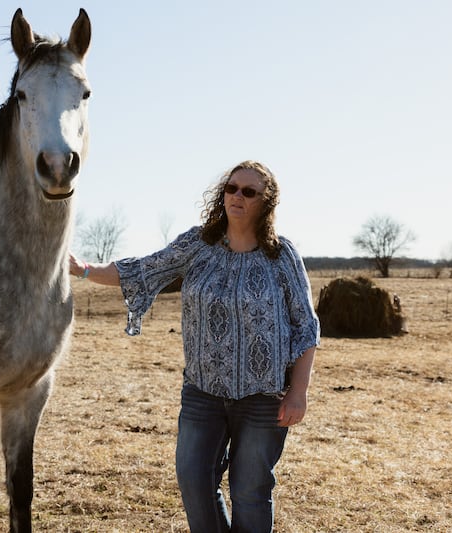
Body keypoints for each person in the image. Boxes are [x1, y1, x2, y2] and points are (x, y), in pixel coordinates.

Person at [69, 160, 320, 533]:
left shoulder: (280, 255)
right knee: (193, 480)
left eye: (249, 191)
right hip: (203, 392)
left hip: (263, 396)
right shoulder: (198, 243)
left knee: (250, 489)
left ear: (265, 202)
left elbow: (305, 325)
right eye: (232, 188)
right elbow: (144, 269)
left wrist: (298, 392)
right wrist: (84, 269)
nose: (237, 196)